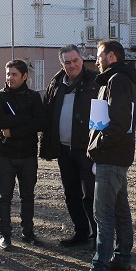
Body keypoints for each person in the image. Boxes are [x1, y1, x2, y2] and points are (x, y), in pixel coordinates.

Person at [70, 39, 136, 271]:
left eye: (99, 55)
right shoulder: (114, 80)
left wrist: (96, 147)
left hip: (111, 157)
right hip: (115, 156)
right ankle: (122, 258)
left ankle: (99, 269)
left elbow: (119, 124)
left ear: (111, 56)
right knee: (120, 210)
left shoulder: (117, 81)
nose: (95, 60)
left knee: (103, 214)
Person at [40, 44, 99, 247]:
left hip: (87, 150)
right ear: (61, 64)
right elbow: (46, 111)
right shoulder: (56, 83)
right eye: (68, 62)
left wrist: (99, 146)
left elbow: (103, 115)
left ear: (82, 60)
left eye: (75, 60)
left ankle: (99, 236)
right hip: (64, 150)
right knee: (71, 193)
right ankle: (81, 232)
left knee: (90, 194)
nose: (72, 65)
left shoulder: (95, 82)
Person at [0, 59, 46, 251]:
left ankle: (27, 232)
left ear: (24, 76)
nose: (10, 78)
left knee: (27, 195)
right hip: (5, 155)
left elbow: (39, 122)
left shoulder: (33, 97)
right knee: (4, 196)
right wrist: (25, 120)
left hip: (28, 154)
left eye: (14, 74)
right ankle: (5, 235)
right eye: (8, 74)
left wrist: (13, 130)